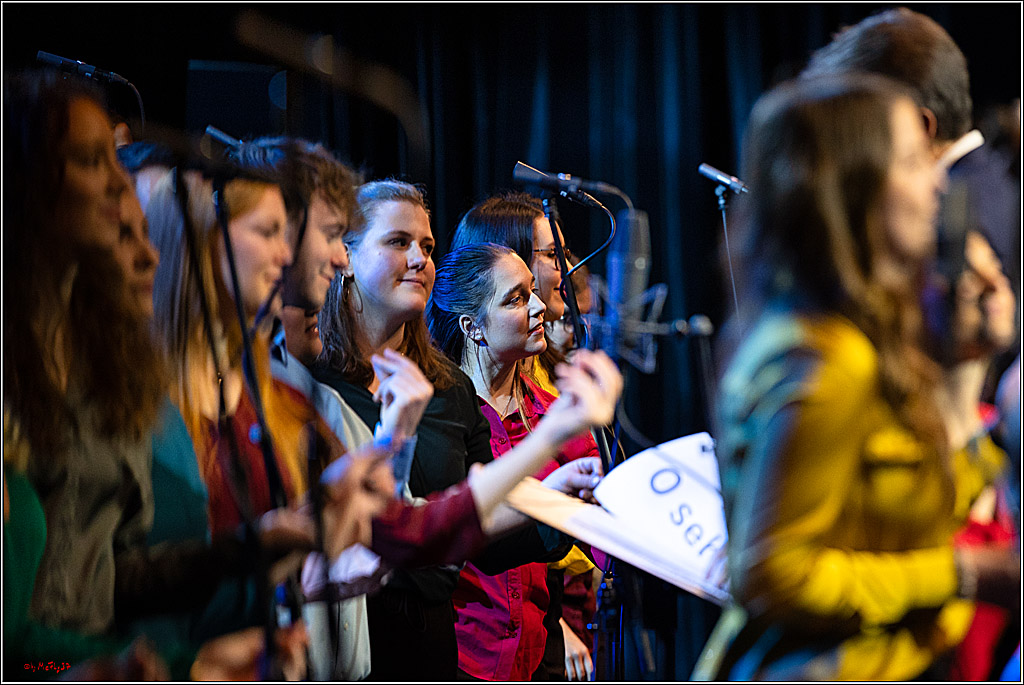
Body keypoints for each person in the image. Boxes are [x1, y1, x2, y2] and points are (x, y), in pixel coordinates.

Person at [691, 74, 1018, 681]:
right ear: (853, 187)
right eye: (915, 164)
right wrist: (966, 573)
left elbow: (903, 513)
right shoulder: (823, 357)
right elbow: (770, 573)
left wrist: (971, 375)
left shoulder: (863, 339)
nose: (938, 184)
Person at [315, 179, 619, 680]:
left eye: (428, 247)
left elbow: (477, 533)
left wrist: (556, 497)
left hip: (431, 653)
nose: (419, 259)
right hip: (350, 645)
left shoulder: (447, 388)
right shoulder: (314, 379)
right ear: (344, 255)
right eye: (398, 242)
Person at [427, 242, 605, 681]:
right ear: (473, 327)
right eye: (517, 298)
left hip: (538, 656)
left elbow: (602, 543)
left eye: (533, 291)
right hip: (462, 659)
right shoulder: (440, 417)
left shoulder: (555, 413)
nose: (542, 306)